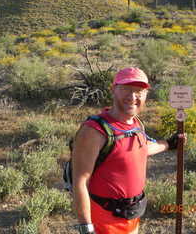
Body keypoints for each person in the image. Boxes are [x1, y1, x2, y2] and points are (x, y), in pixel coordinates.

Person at [72, 67, 185, 234]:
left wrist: (168, 144)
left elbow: (139, 150)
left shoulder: (136, 124)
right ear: (113, 90)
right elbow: (80, 182)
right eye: (126, 89)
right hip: (104, 220)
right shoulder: (94, 131)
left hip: (132, 215)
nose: (133, 97)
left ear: (146, 94)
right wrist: (86, 228)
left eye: (139, 91)